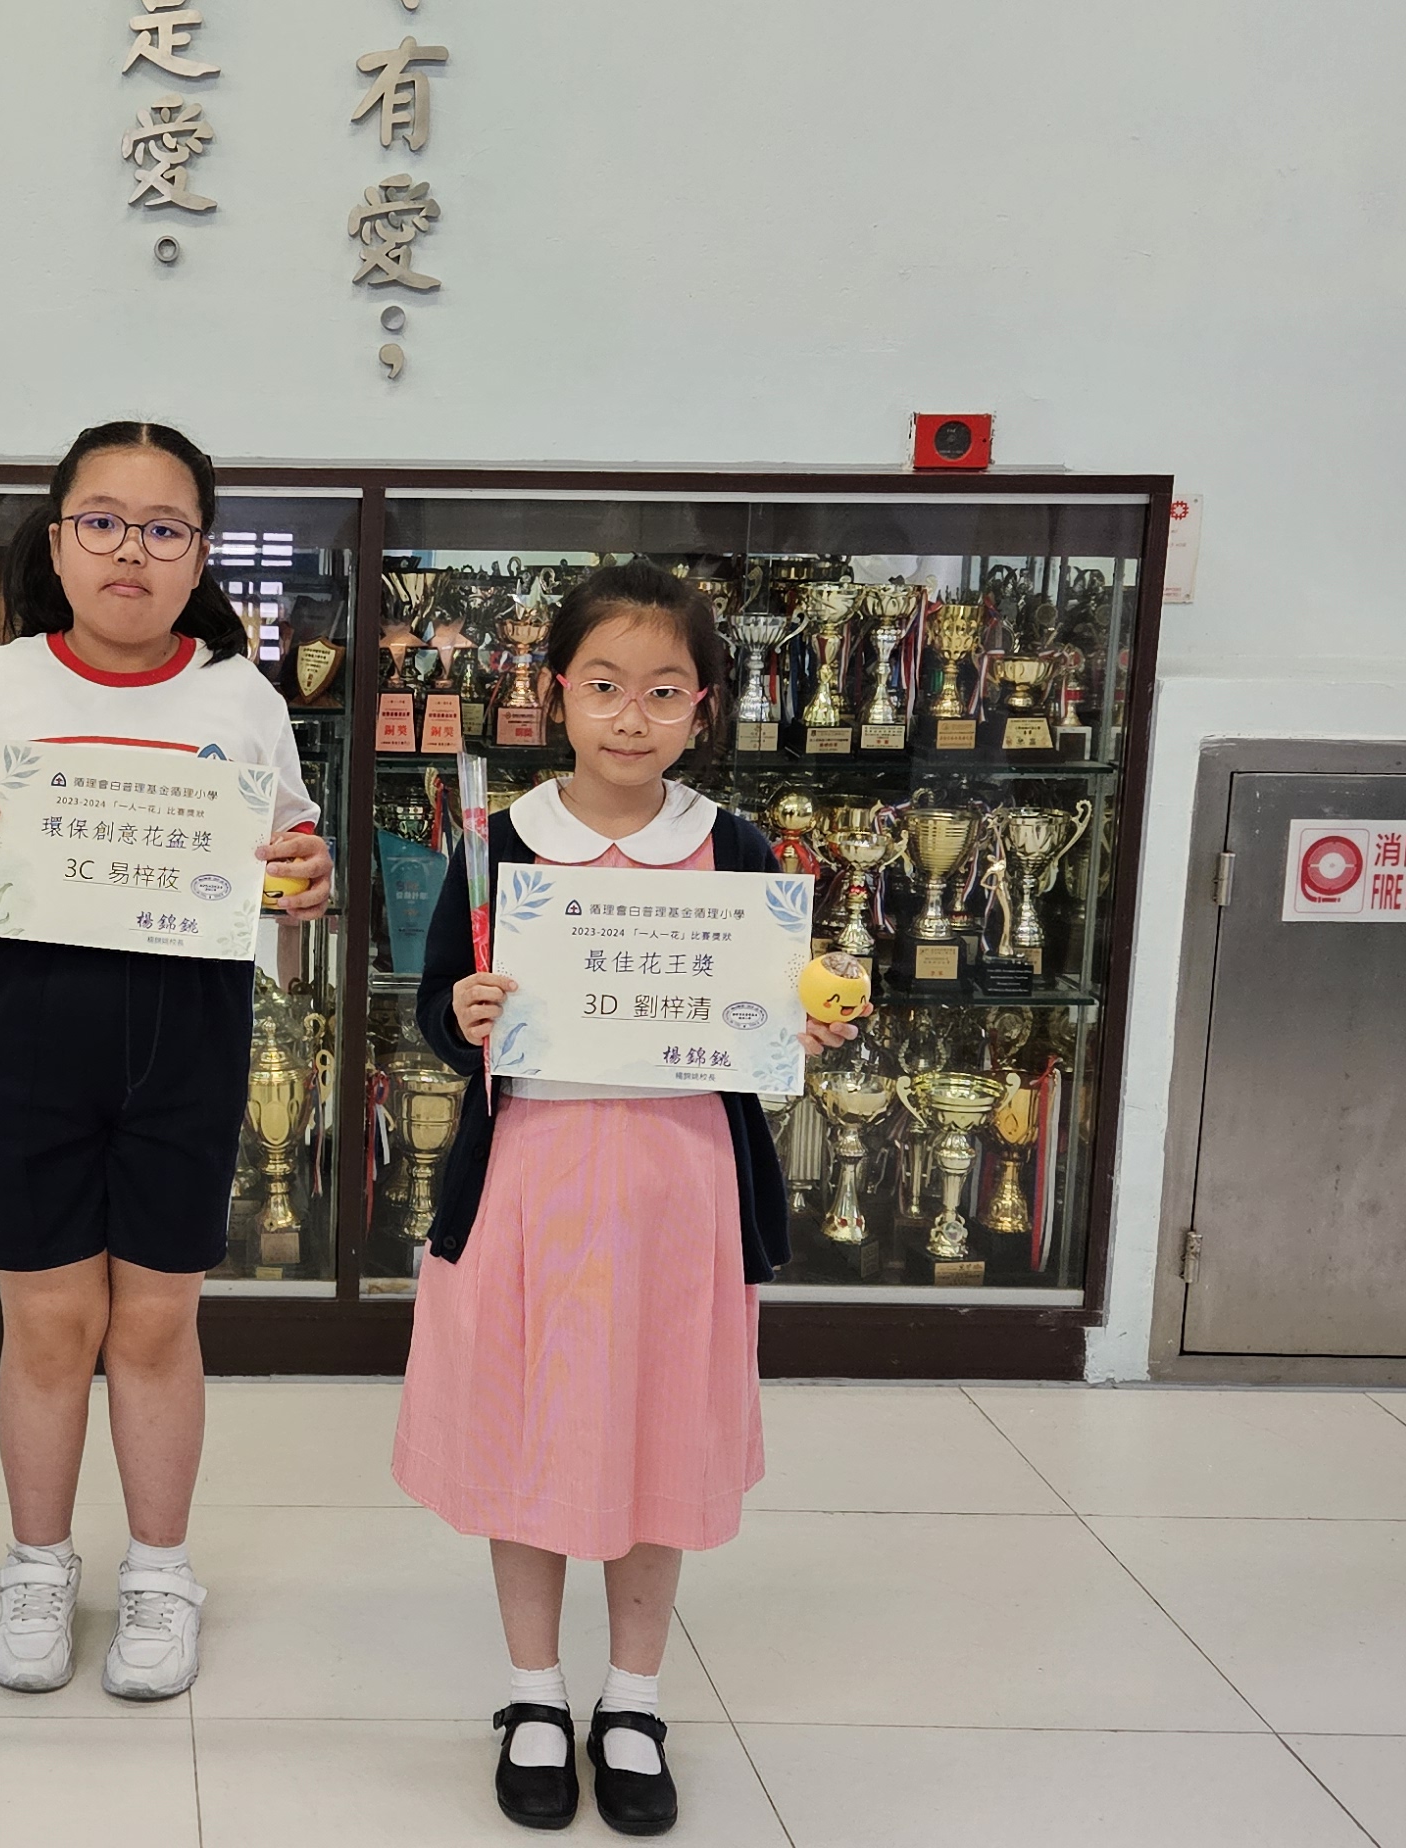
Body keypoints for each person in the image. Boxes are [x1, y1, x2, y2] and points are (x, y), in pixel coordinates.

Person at [402, 561, 852, 1836]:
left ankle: (635, 1698)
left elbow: (763, 1010)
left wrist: (805, 1029)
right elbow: (436, 1008)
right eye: (602, 685)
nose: (630, 716)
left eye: (663, 692)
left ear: (702, 708)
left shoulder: (734, 846)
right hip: (527, 1185)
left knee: (658, 1434)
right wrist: (460, 1014)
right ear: (555, 694)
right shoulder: (497, 844)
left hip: (678, 1191)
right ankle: (534, 1694)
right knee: (525, 1431)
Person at [0, 421, 337, 1702]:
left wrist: (304, 879)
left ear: (200, 554)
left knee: (154, 1320)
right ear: (56, 542)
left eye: (162, 529)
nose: (129, 552)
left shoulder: (241, 700)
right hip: (24, 1027)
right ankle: (38, 1564)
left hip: (182, 1033)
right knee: (44, 1322)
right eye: (101, 522)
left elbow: (295, 856)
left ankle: (158, 1570)